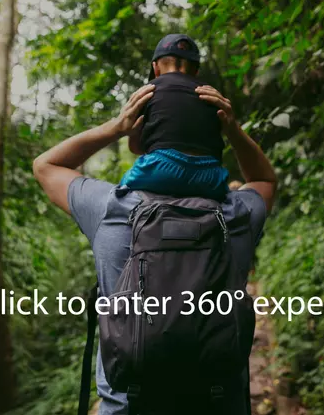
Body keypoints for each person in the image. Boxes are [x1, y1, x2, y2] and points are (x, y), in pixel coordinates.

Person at [33, 83, 277, 415]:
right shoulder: (238, 214)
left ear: (146, 145)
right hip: (219, 402)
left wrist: (116, 128)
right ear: (212, 143)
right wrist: (233, 130)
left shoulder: (111, 208)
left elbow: (45, 166)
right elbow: (266, 180)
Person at [120, 33, 230, 201]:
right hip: (210, 176)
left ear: (156, 68)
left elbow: (135, 147)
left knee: (121, 192)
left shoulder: (147, 91)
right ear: (196, 72)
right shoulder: (212, 94)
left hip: (161, 169)